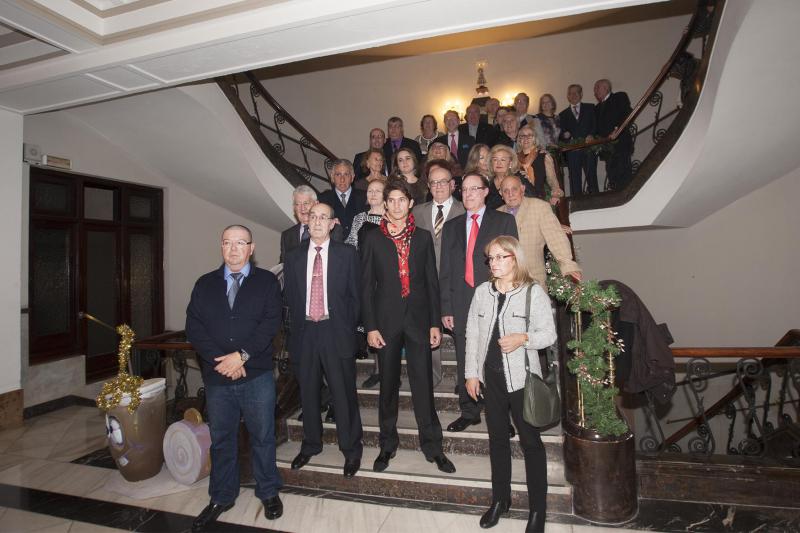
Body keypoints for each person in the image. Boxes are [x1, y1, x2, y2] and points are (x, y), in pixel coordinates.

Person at [186, 225, 283, 530]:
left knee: (263, 436)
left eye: (240, 243)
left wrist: (241, 356)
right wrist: (222, 360)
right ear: (221, 247)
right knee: (221, 439)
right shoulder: (205, 284)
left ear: (251, 248)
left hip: (256, 375)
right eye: (227, 243)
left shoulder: (267, 282)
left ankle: (268, 492)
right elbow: (194, 327)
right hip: (218, 377)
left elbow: (271, 323)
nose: (233, 249)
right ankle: (221, 496)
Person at [361, 180, 456, 474]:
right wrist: (370, 326)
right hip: (385, 324)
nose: (397, 205)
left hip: (418, 322)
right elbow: (366, 287)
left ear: (410, 203)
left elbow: (431, 282)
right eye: (391, 200)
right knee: (387, 387)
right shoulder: (372, 238)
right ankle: (387, 445)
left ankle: (433, 447)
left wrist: (434, 323)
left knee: (423, 386)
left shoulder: (423, 237)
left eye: (402, 200)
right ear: (385, 204)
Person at [464, 235, 557, 533]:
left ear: (515, 258)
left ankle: (537, 510)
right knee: (497, 441)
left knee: (531, 444)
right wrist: (471, 373)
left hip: (522, 381)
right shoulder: (482, 292)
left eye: (500, 257)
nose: (494, 263)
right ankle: (500, 500)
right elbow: (472, 335)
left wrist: (523, 338)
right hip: (491, 379)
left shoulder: (533, 292)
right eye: (491, 258)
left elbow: (549, 335)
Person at [284, 203, 363, 478]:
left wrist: (347, 327)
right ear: (306, 222)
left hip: (335, 330)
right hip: (305, 332)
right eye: (313, 217)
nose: (317, 222)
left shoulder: (347, 254)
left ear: (332, 223)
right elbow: (290, 297)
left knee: (343, 393)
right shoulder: (293, 257)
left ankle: (351, 449)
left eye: (323, 217)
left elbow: (356, 297)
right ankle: (311, 444)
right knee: (307, 393)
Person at [439, 172, 518, 433]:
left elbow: (513, 263)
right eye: (464, 189)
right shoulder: (451, 226)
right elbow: (445, 269)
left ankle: (502, 417)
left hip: (495, 300)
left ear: (486, 192)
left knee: (496, 361)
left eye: (474, 188)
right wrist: (446, 307)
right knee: (465, 358)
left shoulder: (503, 221)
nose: (468, 193)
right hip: (461, 303)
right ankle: (469, 411)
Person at [497, 175, 581, 286]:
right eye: (506, 191)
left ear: (522, 189)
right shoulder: (496, 215)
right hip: (504, 283)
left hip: (533, 282)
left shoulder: (540, 207)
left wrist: (568, 266)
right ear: (501, 194)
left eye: (514, 189)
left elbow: (556, 239)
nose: (510, 194)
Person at [346, 179, 387, 389]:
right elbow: (350, 246)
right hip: (365, 278)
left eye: (377, 191)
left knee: (386, 325)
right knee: (371, 325)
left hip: (387, 279)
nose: (372, 194)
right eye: (370, 190)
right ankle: (378, 371)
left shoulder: (392, 217)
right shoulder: (359, 218)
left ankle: (389, 371)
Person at [280, 185, 343, 263]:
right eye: (298, 204)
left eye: (306, 203)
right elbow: (283, 264)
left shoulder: (332, 228)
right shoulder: (287, 235)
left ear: (316, 204)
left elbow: (339, 260)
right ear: (294, 208)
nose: (302, 208)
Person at [558, 84, 598, 195]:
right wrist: (564, 136)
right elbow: (561, 135)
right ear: (567, 96)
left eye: (576, 92)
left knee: (592, 179)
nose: (573, 95)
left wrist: (592, 135)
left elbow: (595, 125)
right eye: (570, 93)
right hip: (572, 152)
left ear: (581, 94)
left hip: (589, 149)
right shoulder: (562, 114)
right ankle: (577, 203)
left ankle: (597, 201)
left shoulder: (590, 108)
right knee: (574, 181)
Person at [594, 78, 633, 191]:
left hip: (621, 144)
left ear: (606, 87)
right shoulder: (596, 108)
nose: (595, 91)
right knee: (612, 177)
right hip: (607, 149)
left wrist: (617, 129)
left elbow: (627, 114)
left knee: (624, 176)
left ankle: (628, 196)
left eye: (597, 88)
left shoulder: (619, 97)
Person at [516, 125, 564, 205]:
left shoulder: (543, 156)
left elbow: (552, 180)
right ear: (519, 140)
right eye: (523, 136)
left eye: (529, 135)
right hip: (520, 200)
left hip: (540, 198)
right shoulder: (514, 159)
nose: (526, 138)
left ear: (535, 139)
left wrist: (555, 195)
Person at [318, 159, 367, 237]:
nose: (342, 179)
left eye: (346, 174)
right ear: (332, 177)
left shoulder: (365, 197)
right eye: (338, 174)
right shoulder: (322, 199)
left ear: (352, 177)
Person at [486, 144, 534, 209]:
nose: (498, 163)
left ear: (510, 163)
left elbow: (533, 200)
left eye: (503, 160)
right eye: (495, 160)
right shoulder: (487, 183)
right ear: (491, 163)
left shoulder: (518, 178)